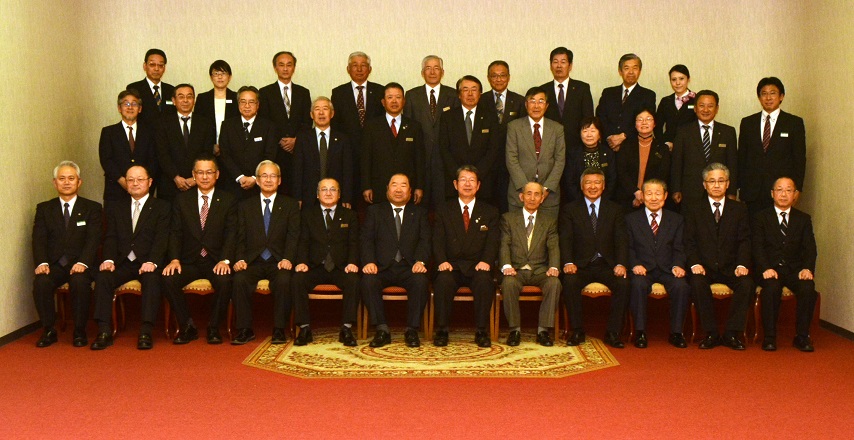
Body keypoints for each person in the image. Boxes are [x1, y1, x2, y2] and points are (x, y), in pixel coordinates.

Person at [91, 165, 170, 350]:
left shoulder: (162, 207)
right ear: (126, 183)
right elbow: (111, 237)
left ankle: (146, 331)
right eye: (131, 180)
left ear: (150, 182)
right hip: (123, 262)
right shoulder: (116, 207)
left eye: (140, 179)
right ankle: (104, 331)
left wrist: (153, 261)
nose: (135, 183)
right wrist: (108, 260)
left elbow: (162, 238)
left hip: (148, 262)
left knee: (152, 279)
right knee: (103, 277)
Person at [161, 155, 237, 345]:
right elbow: (175, 233)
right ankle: (187, 326)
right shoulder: (181, 200)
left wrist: (225, 260)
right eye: (200, 172)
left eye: (209, 172)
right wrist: (174, 259)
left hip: (216, 260)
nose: (204, 177)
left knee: (225, 281)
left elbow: (231, 233)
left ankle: (214, 327)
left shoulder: (228, 200)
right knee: (169, 279)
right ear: (193, 175)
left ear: (217, 174)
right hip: (189, 260)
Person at [31, 161, 102, 348]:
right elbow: (39, 239)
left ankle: (79, 330)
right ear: (55, 183)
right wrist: (41, 263)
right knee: (41, 282)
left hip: (82, 264)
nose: (66, 182)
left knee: (79, 282)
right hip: (55, 265)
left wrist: (84, 262)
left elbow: (94, 239)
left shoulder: (92, 208)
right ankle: (48, 330)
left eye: (71, 178)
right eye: (62, 179)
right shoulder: (44, 209)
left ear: (79, 182)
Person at [684, 163, 752, 350]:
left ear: (728, 184)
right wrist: (694, 263)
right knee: (697, 283)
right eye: (711, 181)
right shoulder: (693, 208)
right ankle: (711, 333)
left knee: (746, 284)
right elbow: (688, 241)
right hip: (704, 266)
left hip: (730, 267)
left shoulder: (739, 209)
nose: (716, 185)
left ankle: (731, 334)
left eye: (721, 181)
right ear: (704, 184)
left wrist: (742, 264)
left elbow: (745, 240)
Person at [231, 161, 300, 345]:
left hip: (278, 260)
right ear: (258, 180)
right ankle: (245, 329)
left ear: (279, 180)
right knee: (239, 279)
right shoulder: (245, 206)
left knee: (284, 280)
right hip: (253, 261)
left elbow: (293, 236)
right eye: (264, 176)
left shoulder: (290, 205)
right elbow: (240, 237)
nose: (268, 180)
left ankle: (279, 329)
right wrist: (240, 259)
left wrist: (288, 258)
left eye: (273, 176)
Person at [559, 167, 629, 348]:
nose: (592, 186)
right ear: (581, 186)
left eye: (597, 182)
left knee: (623, 283)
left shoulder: (615, 209)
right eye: (588, 183)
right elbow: (565, 239)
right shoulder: (570, 209)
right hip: (581, 265)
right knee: (570, 282)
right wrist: (568, 262)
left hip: (607, 265)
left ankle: (613, 332)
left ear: (603, 186)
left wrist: (621, 263)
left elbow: (621, 239)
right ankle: (577, 330)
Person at [360, 174, 431, 348]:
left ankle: (411, 330)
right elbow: (366, 240)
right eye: (394, 185)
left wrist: (420, 261)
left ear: (410, 191)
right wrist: (369, 261)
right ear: (387, 189)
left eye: (403, 185)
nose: (398, 189)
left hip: (409, 267)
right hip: (382, 267)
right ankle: (382, 329)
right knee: (368, 281)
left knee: (420, 281)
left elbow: (425, 241)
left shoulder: (419, 213)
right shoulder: (375, 211)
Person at [432, 166, 499, 347]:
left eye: (471, 180)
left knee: (485, 281)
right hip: (451, 265)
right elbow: (437, 240)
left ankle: (481, 331)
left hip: (477, 265)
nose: (467, 184)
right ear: (455, 184)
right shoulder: (444, 210)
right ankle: (442, 330)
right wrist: (442, 261)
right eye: (463, 180)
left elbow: (493, 241)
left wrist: (486, 261)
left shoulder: (490, 211)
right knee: (443, 281)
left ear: (478, 185)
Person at [291, 178, 360, 346]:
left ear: (339, 194)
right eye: (324, 189)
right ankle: (304, 328)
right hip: (315, 266)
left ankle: (346, 328)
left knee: (354, 280)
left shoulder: (349, 215)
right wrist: (302, 261)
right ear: (317, 194)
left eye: (333, 189)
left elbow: (354, 242)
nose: (328, 193)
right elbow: (303, 241)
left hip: (340, 267)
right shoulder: (307, 214)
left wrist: (352, 262)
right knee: (298, 279)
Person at [752, 177, 817, 352]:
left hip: (794, 270)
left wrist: (807, 269)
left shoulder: (803, 219)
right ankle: (770, 337)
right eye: (779, 190)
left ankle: (802, 337)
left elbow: (810, 248)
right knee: (771, 288)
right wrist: (765, 268)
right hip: (769, 269)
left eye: (788, 190)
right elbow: (757, 247)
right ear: (772, 193)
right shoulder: (760, 218)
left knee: (807, 287)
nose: (783, 194)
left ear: (795, 194)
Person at [625, 178, 690, 348]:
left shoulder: (676, 219)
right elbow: (628, 247)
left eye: (658, 193)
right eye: (649, 193)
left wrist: (678, 265)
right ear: (642, 196)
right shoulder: (631, 219)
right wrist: (635, 264)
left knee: (681, 286)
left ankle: (676, 333)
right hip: (642, 269)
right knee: (637, 284)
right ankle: (640, 332)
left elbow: (679, 247)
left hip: (668, 269)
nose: (653, 198)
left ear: (665, 196)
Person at [499, 182, 561, 347]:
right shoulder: (508, 219)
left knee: (554, 283)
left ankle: (543, 331)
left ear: (542, 199)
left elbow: (553, 246)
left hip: (539, 270)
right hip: (516, 270)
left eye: (536, 194)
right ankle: (514, 330)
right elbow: (504, 244)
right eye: (528, 193)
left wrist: (554, 267)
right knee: (508, 283)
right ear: (521, 197)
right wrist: (506, 266)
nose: (532, 198)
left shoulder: (549, 221)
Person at [738, 77, 807, 215]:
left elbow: (799, 159)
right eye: (764, 93)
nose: (768, 97)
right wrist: (738, 187)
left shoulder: (794, 123)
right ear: (759, 97)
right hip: (752, 192)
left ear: (781, 96)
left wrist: (797, 188)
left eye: (773, 93)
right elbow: (741, 157)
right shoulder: (748, 122)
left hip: (781, 191)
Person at [540, 47, 594, 204]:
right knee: (551, 193)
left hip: (575, 149)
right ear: (550, 65)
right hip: (549, 152)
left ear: (570, 65)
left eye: (563, 62)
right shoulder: (543, 90)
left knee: (574, 192)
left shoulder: (582, 88)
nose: (559, 66)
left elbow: (588, 120)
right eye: (555, 62)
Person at [404, 55, 460, 205]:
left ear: (443, 72)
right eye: (428, 68)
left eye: (436, 68)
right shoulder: (411, 95)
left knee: (444, 207)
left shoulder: (453, 95)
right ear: (422, 72)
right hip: (419, 161)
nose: (432, 72)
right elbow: (408, 130)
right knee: (419, 208)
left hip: (445, 162)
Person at [330, 52, 385, 202]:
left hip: (375, 155)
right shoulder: (338, 93)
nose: (359, 69)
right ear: (348, 69)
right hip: (348, 154)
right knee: (350, 198)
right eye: (355, 65)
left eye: (363, 65)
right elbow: (335, 126)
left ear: (370, 69)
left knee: (375, 199)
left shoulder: (380, 91)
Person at [437, 75, 501, 204]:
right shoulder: (447, 117)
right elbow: (444, 149)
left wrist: (476, 175)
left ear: (480, 94)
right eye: (465, 90)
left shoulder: (490, 117)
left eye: (474, 89)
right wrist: (459, 176)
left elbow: (493, 149)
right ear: (459, 94)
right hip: (455, 181)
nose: (470, 94)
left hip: (483, 181)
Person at [670, 90, 738, 209]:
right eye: (701, 106)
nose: (705, 110)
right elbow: (677, 162)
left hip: (719, 192)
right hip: (690, 192)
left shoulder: (728, 132)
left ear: (717, 109)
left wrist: (732, 192)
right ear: (695, 108)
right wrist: (676, 189)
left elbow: (732, 164)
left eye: (710, 106)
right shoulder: (683, 131)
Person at [361, 83, 426, 205]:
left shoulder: (414, 126)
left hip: (407, 187)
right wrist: (366, 186)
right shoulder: (371, 126)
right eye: (390, 97)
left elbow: (419, 159)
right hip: (379, 186)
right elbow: (366, 159)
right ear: (383, 102)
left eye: (398, 97)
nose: (394, 101)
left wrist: (419, 186)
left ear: (404, 101)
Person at [258, 51, 312, 194]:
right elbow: (264, 122)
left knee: (297, 188)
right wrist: (280, 140)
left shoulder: (303, 92)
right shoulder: (265, 92)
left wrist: (296, 140)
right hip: (275, 151)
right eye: (281, 65)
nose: (285, 68)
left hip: (298, 150)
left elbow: (307, 121)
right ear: (275, 68)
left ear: (294, 68)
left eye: (289, 65)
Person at [505, 87, 566, 215]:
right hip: (520, 194)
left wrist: (547, 188)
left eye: (541, 101)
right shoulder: (514, 127)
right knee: (518, 227)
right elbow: (511, 159)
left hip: (549, 196)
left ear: (547, 105)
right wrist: (526, 189)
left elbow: (560, 160)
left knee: (547, 228)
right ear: (526, 104)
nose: (536, 106)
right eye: (532, 101)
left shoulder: (557, 129)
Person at [155, 84, 217, 201]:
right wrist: (175, 177)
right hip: (170, 184)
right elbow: (162, 154)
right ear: (174, 101)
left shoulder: (205, 123)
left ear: (194, 100)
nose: (185, 100)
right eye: (181, 97)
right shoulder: (162, 123)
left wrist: (195, 178)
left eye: (189, 96)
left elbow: (207, 153)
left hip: (198, 184)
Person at [99, 89, 159, 204]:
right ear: (119, 108)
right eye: (126, 104)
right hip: (116, 189)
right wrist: (122, 180)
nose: (130, 107)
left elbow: (154, 159)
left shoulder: (149, 132)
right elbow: (106, 160)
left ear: (140, 109)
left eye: (134, 104)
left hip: (143, 190)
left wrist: (142, 181)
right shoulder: (108, 132)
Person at [482, 60, 527, 213]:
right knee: (488, 204)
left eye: (502, 75)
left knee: (508, 204)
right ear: (488, 78)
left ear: (508, 77)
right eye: (494, 76)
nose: (499, 79)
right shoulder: (481, 100)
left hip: (512, 162)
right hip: (487, 163)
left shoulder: (520, 101)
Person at [292, 97, 353, 208]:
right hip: (308, 196)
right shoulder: (302, 138)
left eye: (325, 108)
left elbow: (347, 170)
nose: (321, 113)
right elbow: (297, 169)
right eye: (317, 109)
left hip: (336, 196)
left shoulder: (343, 139)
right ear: (311, 115)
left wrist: (347, 197)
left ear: (332, 114)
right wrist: (297, 197)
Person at [218, 86, 278, 198]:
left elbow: (270, 155)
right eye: (243, 102)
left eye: (251, 102)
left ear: (258, 105)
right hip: (232, 184)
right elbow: (225, 155)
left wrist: (255, 178)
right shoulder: (227, 125)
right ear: (238, 104)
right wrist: (239, 177)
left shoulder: (268, 126)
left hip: (259, 185)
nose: (247, 106)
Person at [596, 53, 656, 153]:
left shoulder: (648, 95)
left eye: (635, 68)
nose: (631, 72)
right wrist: (609, 137)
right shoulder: (608, 93)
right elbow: (600, 117)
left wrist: (624, 136)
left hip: (633, 147)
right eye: (626, 68)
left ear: (640, 71)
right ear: (620, 71)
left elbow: (647, 122)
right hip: (608, 147)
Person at [615, 108, 670, 209]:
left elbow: (663, 174)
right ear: (635, 124)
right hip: (627, 197)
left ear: (654, 124)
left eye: (648, 119)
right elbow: (621, 172)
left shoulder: (663, 148)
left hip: (653, 199)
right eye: (640, 119)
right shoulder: (626, 146)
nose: (644, 122)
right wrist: (635, 192)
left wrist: (645, 194)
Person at [564, 117, 615, 202]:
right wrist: (583, 202)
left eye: (593, 131)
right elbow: (570, 181)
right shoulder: (572, 154)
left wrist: (601, 201)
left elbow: (612, 180)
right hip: (578, 201)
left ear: (599, 134)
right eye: (585, 131)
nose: (589, 135)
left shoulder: (608, 153)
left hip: (604, 201)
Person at [194, 60, 240, 149]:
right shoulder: (202, 99)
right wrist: (211, 146)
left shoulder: (237, 98)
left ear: (230, 77)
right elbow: (198, 126)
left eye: (223, 73)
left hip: (232, 147)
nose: (220, 77)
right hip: (208, 147)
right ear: (211, 77)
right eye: (216, 73)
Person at [127, 48, 175, 127]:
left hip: (167, 133)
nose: (156, 69)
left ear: (164, 68)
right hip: (143, 133)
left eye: (160, 65)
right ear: (145, 66)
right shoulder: (134, 88)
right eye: (152, 65)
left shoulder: (171, 90)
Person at [654, 64, 697, 149]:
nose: (677, 83)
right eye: (674, 79)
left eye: (681, 79)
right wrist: (663, 143)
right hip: (669, 147)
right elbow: (657, 126)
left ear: (688, 79)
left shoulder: (697, 100)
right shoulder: (665, 101)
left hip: (691, 147)